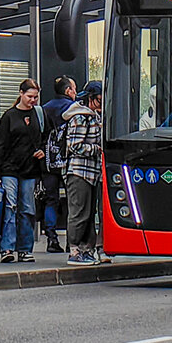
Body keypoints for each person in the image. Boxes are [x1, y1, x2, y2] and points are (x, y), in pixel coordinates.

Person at [0, 78, 45, 263]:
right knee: (10, 207)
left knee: (27, 209)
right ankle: (7, 248)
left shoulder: (38, 114)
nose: (33, 100)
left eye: (35, 97)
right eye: (29, 96)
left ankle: (25, 249)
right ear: (21, 94)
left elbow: (46, 138)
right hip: (9, 169)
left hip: (30, 169)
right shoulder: (9, 116)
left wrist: (42, 151)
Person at [63, 80, 103, 266]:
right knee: (79, 211)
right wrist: (97, 148)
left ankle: (87, 249)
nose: (102, 105)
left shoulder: (94, 116)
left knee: (88, 212)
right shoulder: (80, 117)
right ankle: (75, 250)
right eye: (99, 100)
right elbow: (74, 146)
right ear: (91, 98)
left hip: (92, 172)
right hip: (79, 171)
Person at [39, 75, 76, 253]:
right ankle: (72, 240)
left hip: (48, 161)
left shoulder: (44, 109)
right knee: (73, 201)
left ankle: (52, 239)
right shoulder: (73, 108)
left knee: (50, 200)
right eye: (74, 89)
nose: (75, 93)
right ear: (68, 91)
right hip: (69, 160)